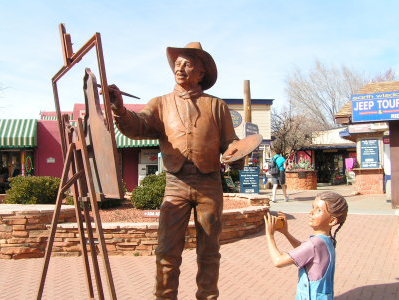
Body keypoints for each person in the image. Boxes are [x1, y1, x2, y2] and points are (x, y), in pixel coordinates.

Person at [109, 42, 243, 300]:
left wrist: (238, 153)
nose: (179, 68)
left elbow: (230, 142)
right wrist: (119, 109)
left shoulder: (217, 106)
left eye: (187, 64)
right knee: (167, 249)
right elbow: (136, 127)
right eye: (177, 64)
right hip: (176, 182)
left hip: (209, 182)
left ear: (201, 73)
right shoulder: (160, 103)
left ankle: (208, 296)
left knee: (209, 251)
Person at [264, 191, 348, 299]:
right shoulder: (327, 240)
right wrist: (286, 233)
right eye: (313, 207)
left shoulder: (313, 244)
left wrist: (269, 235)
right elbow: (304, 251)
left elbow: (278, 261)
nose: (311, 212)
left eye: (318, 210)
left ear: (332, 221)